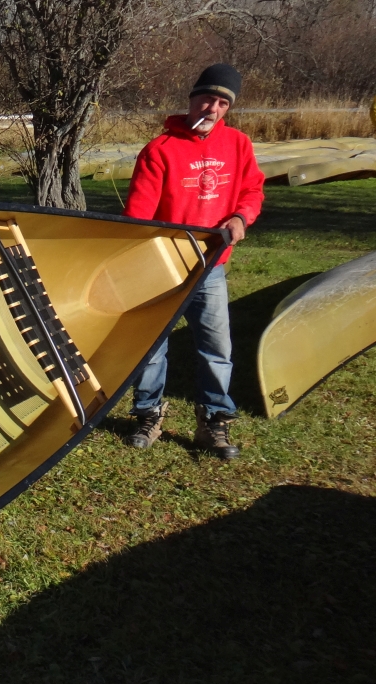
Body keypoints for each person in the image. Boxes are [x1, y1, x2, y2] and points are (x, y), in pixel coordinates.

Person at [122, 63, 265, 459]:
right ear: (191, 98)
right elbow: (137, 219)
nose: (212, 108)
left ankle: (214, 422)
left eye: (222, 103)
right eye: (207, 98)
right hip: (164, 269)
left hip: (212, 269)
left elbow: (252, 190)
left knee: (216, 348)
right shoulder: (160, 151)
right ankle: (148, 414)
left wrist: (241, 216)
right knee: (152, 347)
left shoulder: (238, 145)